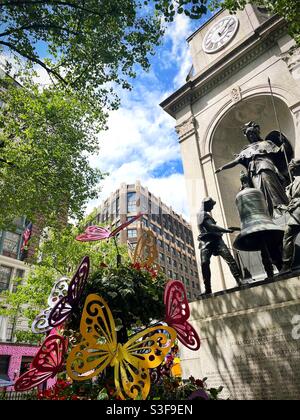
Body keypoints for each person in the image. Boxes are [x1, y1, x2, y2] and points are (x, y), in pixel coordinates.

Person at [215, 121, 289, 218]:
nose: (251, 136)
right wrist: (222, 167)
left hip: (265, 166)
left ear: (257, 133)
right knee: (260, 191)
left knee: (271, 186)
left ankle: (279, 208)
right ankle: (269, 214)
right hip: (254, 172)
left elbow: (281, 152)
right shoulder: (246, 150)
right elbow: (236, 161)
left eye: (253, 134)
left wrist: (284, 144)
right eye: (249, 135)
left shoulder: (266, 143)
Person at [197, 197, 242, 294]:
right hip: (205, 241)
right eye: (211, 206)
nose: (212, 208)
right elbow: (211, 227)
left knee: (229, 258)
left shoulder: (205, 214)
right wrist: (227, 230)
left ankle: (239, 280)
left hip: (217, 240)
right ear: (206, 204)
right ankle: (208, 289)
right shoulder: (201, 214)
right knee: (204, 263)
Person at [279, 159, 300, 272]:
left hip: (298, 210)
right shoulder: (291, 184)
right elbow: (288, 199)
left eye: (293, 168)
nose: (291, 170)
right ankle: (286, 266)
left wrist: (297, 202)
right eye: (291, 169)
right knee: (287, 235)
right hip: (295, 214)